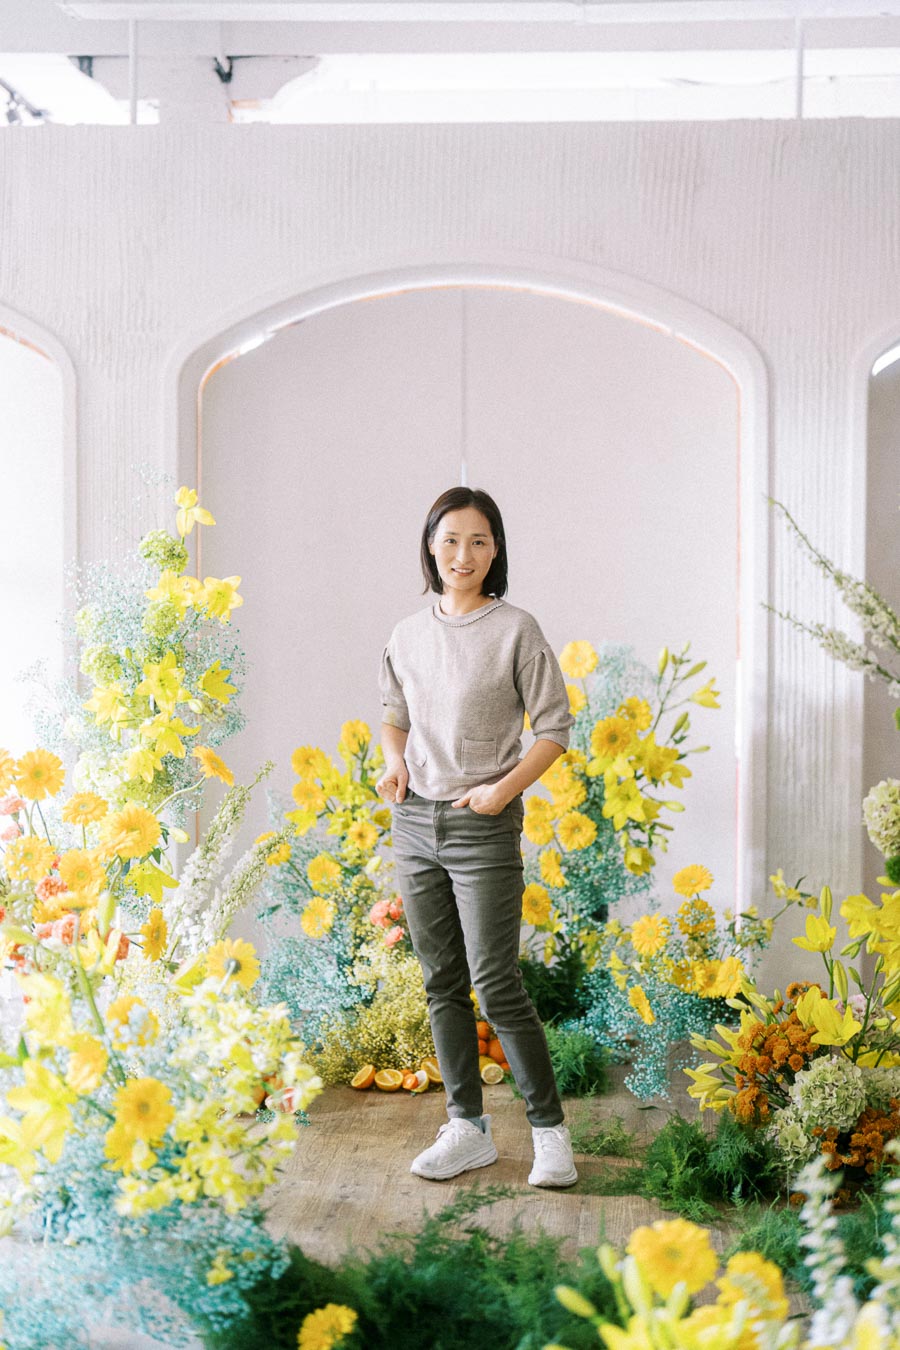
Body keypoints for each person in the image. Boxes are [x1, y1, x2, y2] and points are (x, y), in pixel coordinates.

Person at [375, 485, 579, 1188]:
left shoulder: (516, 630)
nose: (465, 554)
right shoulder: (407, 633)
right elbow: (393, 708)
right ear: (431, 546)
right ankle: (468, 1127)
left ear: (497, 551)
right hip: (414, 823)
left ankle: (551, 1135)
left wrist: (502, 790)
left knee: (497, 985)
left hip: (483, 824)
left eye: (480, 541)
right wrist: (394, 759)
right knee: (441, 982)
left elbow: (554, 727)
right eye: (451, 540)